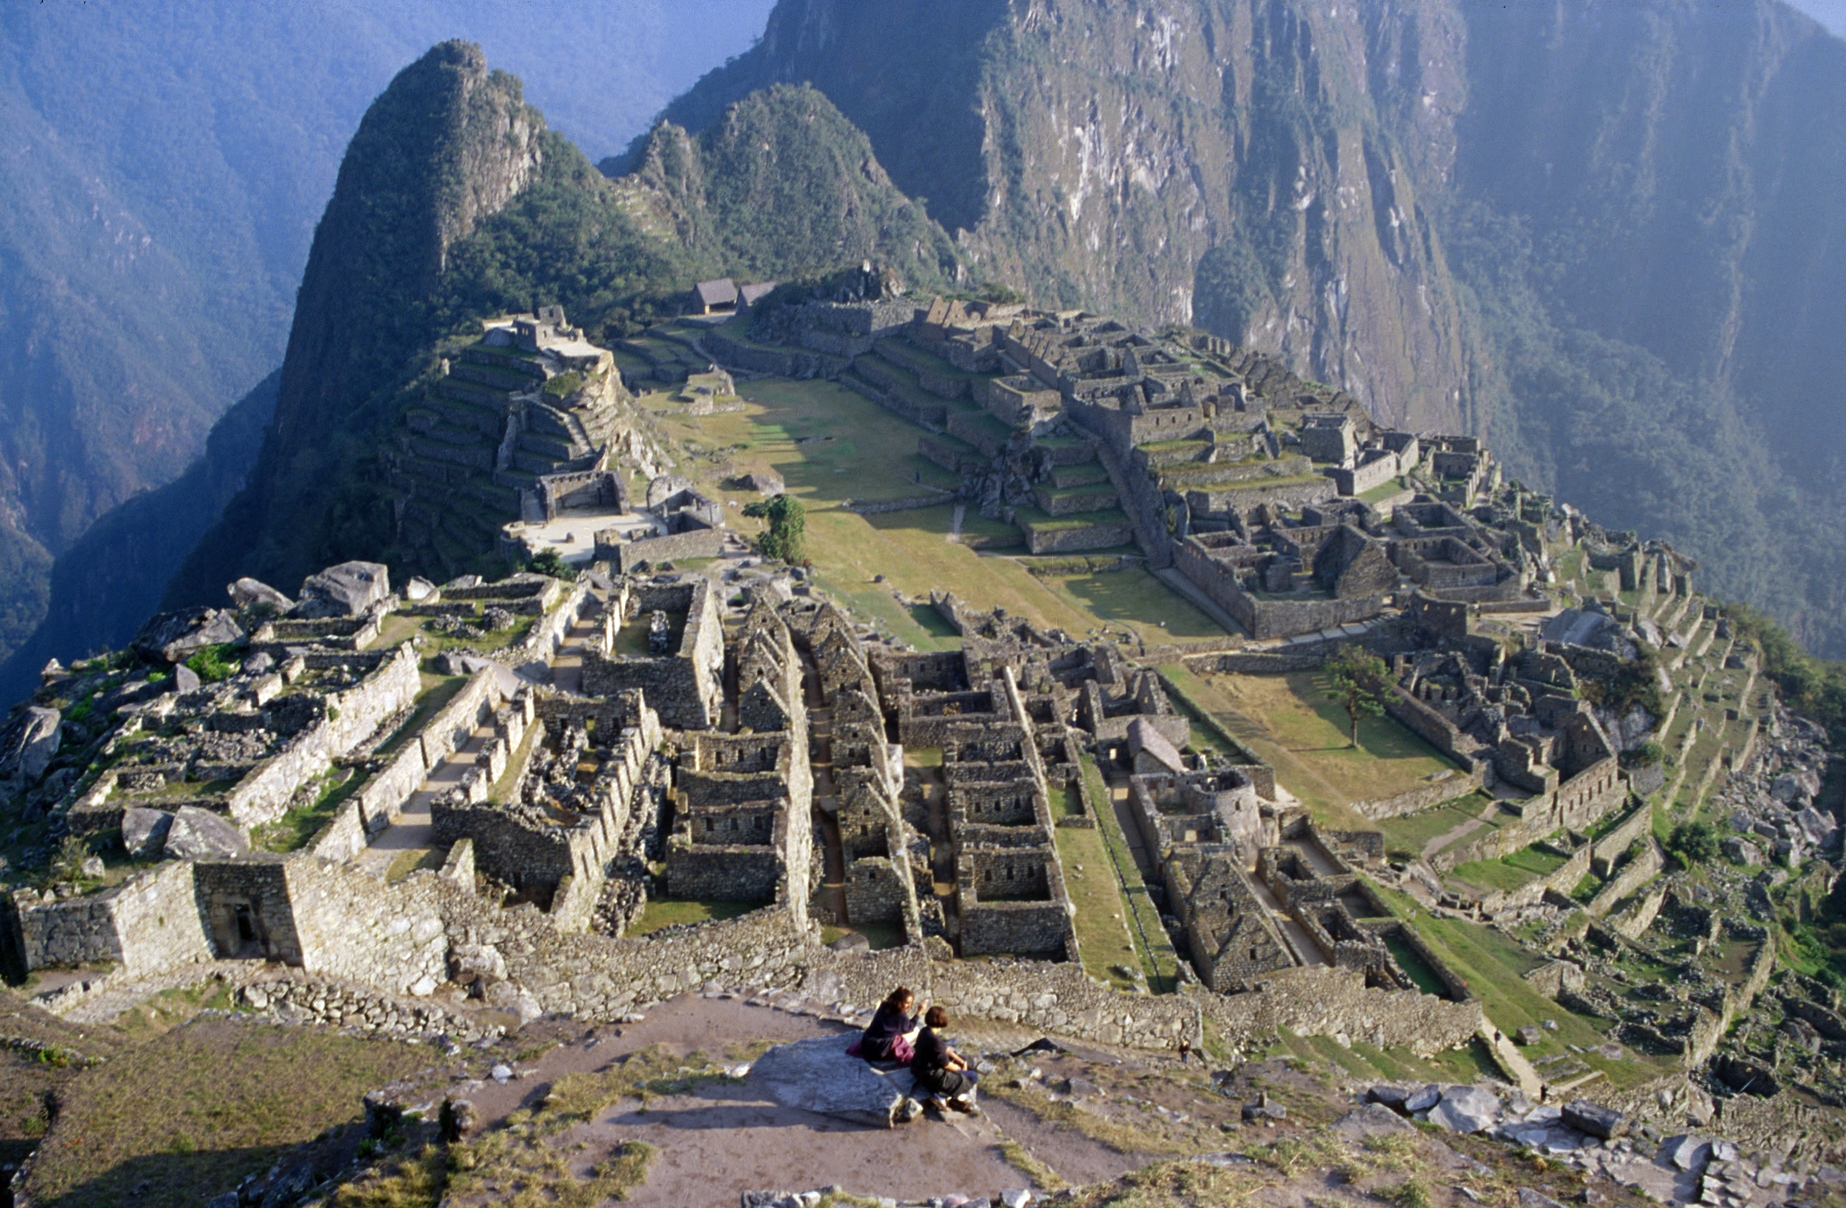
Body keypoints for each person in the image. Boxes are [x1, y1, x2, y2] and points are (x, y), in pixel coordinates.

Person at [910, 1005, 979, 1115]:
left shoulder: (925, 1031)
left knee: (968, 1059)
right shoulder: (934, 1040)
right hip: (931, 1074)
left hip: (918, 1067)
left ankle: (951, 1093)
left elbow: (944, 1049)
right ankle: (943, 1096)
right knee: (973, 1076)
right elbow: (945, 1064)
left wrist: (960, 1060)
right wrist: (960, 1068)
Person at [857, 986, 925, 1064]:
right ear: (899, 1001)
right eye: (906, 1003)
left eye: (911, 1003)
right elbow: (909, 1028)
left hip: (868, 1043)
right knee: (916, 1030)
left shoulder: (884, 1005)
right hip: (881, 1049)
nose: (909, 1006)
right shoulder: (901, 1015)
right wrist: (919, 1013)